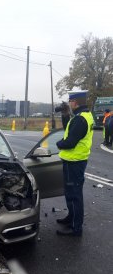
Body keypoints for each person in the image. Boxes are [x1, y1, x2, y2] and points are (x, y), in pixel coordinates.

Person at [56, 91, 94, 237]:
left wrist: (58, 144)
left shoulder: (80, 119)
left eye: (70, 102)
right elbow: (69, 130)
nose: (69, 104)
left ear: (75, 102)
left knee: (75, 194)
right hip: (74, 161)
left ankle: (76, 228)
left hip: (74, 162)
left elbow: (70, 142)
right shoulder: (82, 116)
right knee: (70, 192)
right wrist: (65, 115)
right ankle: (71, 218)